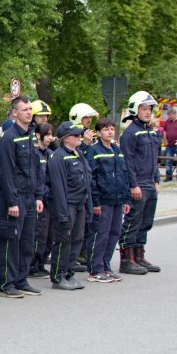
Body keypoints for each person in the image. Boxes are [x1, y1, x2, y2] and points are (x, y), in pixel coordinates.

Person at [0, 96, 43, 298]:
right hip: (14, 198)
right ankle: (7, 283)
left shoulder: (31, 136)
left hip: (29, 196)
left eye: (30, 109)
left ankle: (21, 279)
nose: (29, 113)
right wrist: (12, 202)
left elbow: (36, 168)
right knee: (11, 241)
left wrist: (38, 196)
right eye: (25, 109)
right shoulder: (8, 138)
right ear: (15, 113)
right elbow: (6, 172)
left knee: (27, 241)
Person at [119, 90, 163, 272]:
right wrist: (133, 185)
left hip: (150, 183)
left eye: (149, 109)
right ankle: (126, 260)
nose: (147, 112)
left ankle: (139, 256)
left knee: (146, 222)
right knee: (132, 221)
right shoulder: (130, 133)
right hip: (138, 184)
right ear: (135, 110)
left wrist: (157, 180)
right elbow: (127, 162)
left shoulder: (150, 132)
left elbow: (153, 159)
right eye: (144, 108)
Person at [84, 117, 131, 281]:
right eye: (106, 129)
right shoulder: (94, 151)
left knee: (114, 233)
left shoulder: (117, 150)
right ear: (98, 133)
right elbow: (92, 178)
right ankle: (95, 269)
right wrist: (95, 202)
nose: (110, 132)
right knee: (100, 234)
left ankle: (105, 266)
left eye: (112, 129)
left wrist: (126, 199)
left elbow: (124, 175)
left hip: (117, 200)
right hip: (103, 200)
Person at [47, 123, 91, 290]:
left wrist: (88, 205)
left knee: (77, 240)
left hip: (79, 203)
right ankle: (58, 276)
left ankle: (69, 274)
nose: (79, 137)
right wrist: (62, 212)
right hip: (67, 205)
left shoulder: (78, 154)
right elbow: (58, 186)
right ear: (66, 138)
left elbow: (86, 181)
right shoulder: (58, 157)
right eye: (76, 135)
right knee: (63, 240)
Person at [28, 122, 55, 279]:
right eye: (48, 134)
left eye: (52, 135)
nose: (51, 138)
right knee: (39, 234)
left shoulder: (50, 154)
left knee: (48, 234)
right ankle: (33, 265)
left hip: (49, 199)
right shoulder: (34, 153)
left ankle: (41, 263)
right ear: (38, 135)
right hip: (38, 199)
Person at [161, 107, 177, 182]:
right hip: (169, 145)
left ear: (175, 114)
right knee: (168, 160)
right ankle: (168, 176)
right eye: (168, 115)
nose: (169, 117)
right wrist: (165, 140)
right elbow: (165, 131)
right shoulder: (167, 121)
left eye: (171, 115)